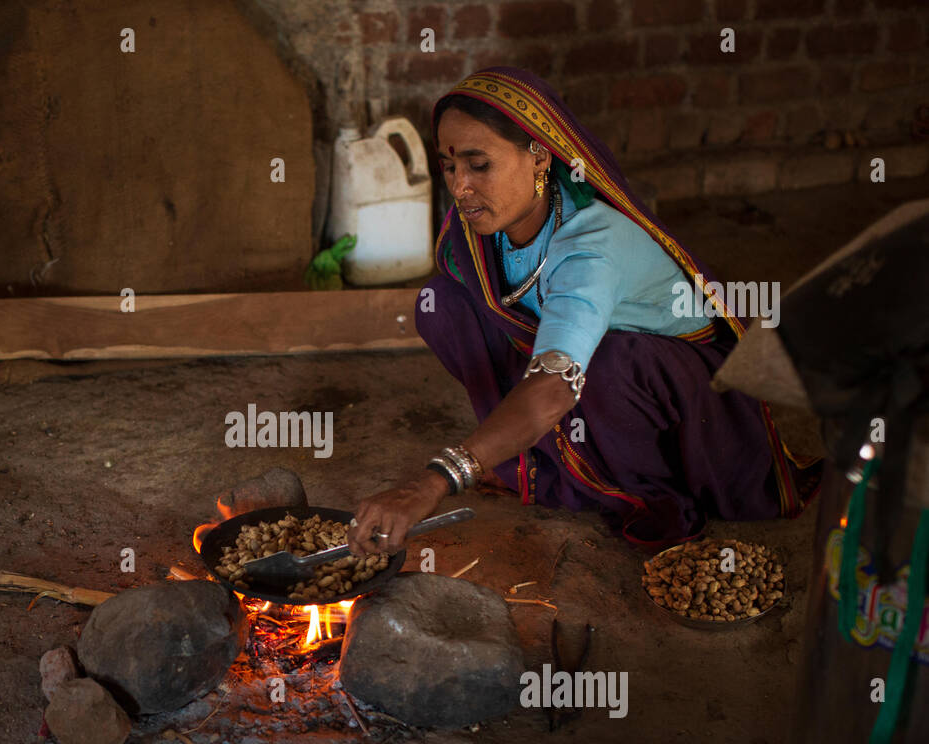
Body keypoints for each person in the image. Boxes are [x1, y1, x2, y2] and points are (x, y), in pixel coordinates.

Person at [348, 66, 820, 557]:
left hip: (677, 385)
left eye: (478, 164)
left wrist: (433, 482)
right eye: (449, 166)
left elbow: (555, 382)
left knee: (608, 363)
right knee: (442, 306)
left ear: (538, 156)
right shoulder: (481, 226)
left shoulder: (591, 248)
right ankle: (529, 460)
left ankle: (647, 493)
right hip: (581, 359)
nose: (460, 186)